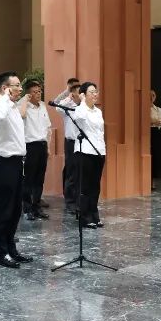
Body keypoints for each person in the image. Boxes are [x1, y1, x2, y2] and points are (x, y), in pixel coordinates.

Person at [0, 71, 33, 269]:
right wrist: (5, 97)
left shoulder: (13, 107)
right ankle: (1, 253)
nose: (20, 89)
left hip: (16, 163)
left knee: (15, 210)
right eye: (16, 86)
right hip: (3, 163)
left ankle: (11, 248)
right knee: (3, 210)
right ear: (5, 88)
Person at [71, 82, 106, 228]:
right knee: (84, 186)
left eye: (96, 91)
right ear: (84, 95)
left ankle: (94, 214)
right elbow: (78, 119)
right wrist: (82, 102)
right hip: (84, 151)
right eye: (91, 92)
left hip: (99, 151)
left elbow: (100, 132)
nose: (95, 94)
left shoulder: (98, 111)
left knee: (95, 186)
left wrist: (103, 149)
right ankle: (84, 217)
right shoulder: (80, 109)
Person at [22, 80, 52, 221]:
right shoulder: (23, 106)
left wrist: (48, 147)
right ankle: (27, 209)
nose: (38, 94)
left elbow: (48, 128)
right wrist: (24, 100)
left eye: (39, 91)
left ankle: (37, 207)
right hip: (30, 146)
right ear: (28, 94)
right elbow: (21, 117)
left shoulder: (43, 106)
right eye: (35, 92)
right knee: (29, 179)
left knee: (39, 179)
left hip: (42, 145)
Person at [54, 78, 81, 214]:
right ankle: (70, 201)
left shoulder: (84, 107)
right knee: (71, 171)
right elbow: (57, 106)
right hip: (71, 142)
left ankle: (78, 199)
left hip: (82, 142)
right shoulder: (67, 106)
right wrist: (68, 95)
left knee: (80, 172)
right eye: (77, 91)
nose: (79, 94)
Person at [150, 89, 161, 184]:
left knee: (156, 156)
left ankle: (154, 180)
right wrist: (154, 121)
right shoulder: (145, 108)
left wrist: (155, 122)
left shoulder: (158, 109)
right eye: (150, 95)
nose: (151, 97)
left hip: (156, 132)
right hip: (149, 132)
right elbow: (147, 120)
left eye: (153, 95)